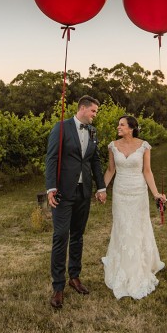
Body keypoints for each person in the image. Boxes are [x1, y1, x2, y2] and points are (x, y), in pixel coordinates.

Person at [45, 95, 107, 309]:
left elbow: (95, 160)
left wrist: (101, 187)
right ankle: (58, 286)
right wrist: (51, 188)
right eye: (93, 111)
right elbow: (51, 158)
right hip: (63, 192)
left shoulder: (92, 131)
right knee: (61, 236)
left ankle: (74, 276)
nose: (95, 115)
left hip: (84, 192)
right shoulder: (61, 127)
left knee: (78, 235)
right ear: (82, 108)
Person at [101, 114, 166, 300]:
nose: (118, 127)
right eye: (118, 125)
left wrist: (156, 194)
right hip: (120, 193)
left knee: (138, 228)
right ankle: (122, 264)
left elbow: (147, 171)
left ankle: (139, 266)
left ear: (131, 128)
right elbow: (111, 170)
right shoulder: (113, 146)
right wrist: (101, 189)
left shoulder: (144, 146)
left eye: (121, 125)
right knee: (122, 227)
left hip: (138, 193)